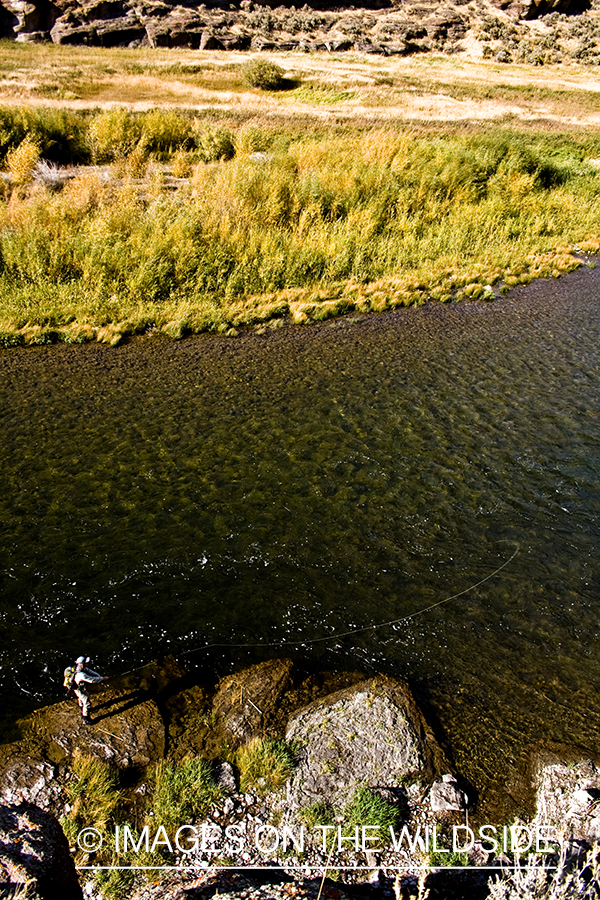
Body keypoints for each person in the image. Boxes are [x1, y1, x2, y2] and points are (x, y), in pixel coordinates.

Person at [73, 656, 108, 725]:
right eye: (86, 663)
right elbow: (92, 680)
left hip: (80, 687)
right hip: (79, 689)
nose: (87, 664)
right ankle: (86, 719)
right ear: (81, 664)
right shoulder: (81, 675)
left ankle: (81, 709)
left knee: (81, 698)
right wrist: (102, 679)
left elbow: (92, 673)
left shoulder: (81, 668)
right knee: (86, 702)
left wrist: (100, 677)